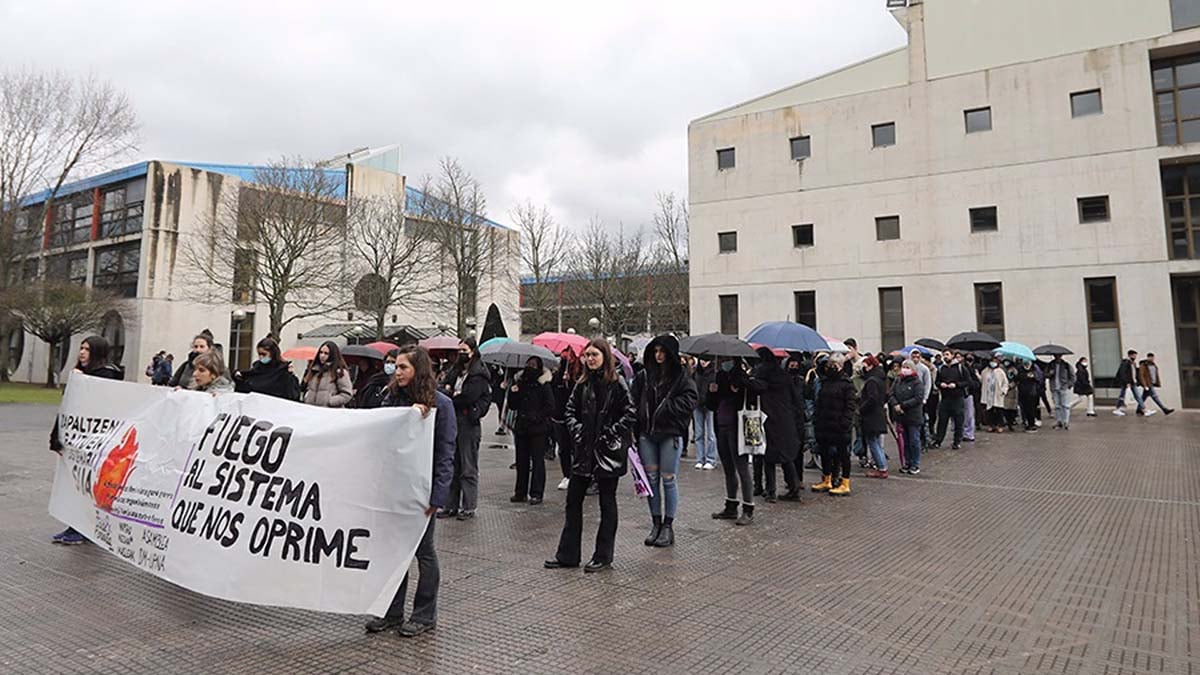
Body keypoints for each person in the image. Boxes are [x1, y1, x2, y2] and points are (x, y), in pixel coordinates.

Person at [363, 345, 456, 638]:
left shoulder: (441, 405)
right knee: (392, 552)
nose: (397, 372)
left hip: (421, 492)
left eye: (403, 367)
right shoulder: (390, 400)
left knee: (423, 552)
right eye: (395, 366)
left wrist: (438, 496)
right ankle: (392, 612)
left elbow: (445, 453)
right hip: (393, 488)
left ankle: (424, 615)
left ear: (418, 370)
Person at [545, 339, 635, 573]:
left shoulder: (617, 383)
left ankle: (603, 556)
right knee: (573, 501)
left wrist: (610, 433)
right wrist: (577, 432)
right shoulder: (582, 383)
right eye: (587, 355)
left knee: (607, 502)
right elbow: (570, 410)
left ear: (605, 356)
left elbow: (630, 412)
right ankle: (568, 554)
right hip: (584, 451)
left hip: (607, 453)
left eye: (595, 354)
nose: (591, 359)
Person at [49, 335, 125, 545]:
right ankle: (75, 525)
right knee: (76, 484)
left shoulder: (104, 376)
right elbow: (68, 408)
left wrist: (82, 381)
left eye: (87, 349)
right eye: (81, 348)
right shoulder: (82, 374)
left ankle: (83, 528)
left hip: (94, 441)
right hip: (76, 439)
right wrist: (56, 437)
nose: (82, 352)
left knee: (87, 485)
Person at [630, 335, 698, 548]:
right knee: (650, 480)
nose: (659, 355)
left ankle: (668, 525)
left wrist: (667, 408)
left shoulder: (681, 377)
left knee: (668, 479)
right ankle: (656, 522)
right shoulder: (644, 376)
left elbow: (690, 400)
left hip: (669, 433)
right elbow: (633, 402)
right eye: (656, 351)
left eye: (662, 351)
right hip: (647, 434)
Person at [438, 337, 491, 520]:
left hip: (468, 423)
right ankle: (450, 505)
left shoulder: (478, 373)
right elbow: (443, 388)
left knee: (468, 467)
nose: (461, 354)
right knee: (452, 464)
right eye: (459, 350)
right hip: (454, 420)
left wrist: (452, 394)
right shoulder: (456, 370)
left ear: (473, 351)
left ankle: (468, 507)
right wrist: (450, 392)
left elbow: (469, 396)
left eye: (464, 351)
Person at [749, 346, 806, 502]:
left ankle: (770, 491)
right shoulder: (784, 375)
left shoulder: (761, 374)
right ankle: (793, 488)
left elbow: (755, 390)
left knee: (768, 456)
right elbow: (796, 399)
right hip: (786, 419)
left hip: (768, 419)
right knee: (786, 456)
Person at [707, 356, 756, 525]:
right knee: (728, 468)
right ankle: (731, 505)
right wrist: (711, 392)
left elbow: (753, 395)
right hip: (721, 425)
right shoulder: (719, 376)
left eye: (726, 359)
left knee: (742, 468)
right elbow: (711, 405)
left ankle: (748, 508)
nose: (722, 362)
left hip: (737, 427)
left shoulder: (741, 377)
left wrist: (740, 388)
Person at [507, 356, 555, 505]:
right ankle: (520, 492)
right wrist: (513, 392)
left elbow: (550, 406)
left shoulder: (544, 385)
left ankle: (536, 493)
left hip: (538, 429)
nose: (530, 368)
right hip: (522, 427)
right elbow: (513, 405)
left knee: (537, 461)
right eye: (528, 364)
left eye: (533, 365)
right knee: (522, 461)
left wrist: (537, 416)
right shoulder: (520, 382)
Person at [811, 354, 856, 494]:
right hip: (825, 424)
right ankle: (827, 479)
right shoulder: (826, 382)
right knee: (824, 452)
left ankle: (845, 482)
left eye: (834, 365)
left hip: (839, 425)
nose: (830, 368)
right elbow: (819, 402)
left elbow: (850, 406)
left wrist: (845, 423)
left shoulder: (847, 384)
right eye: (829, 365)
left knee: (843, 454)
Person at [233, 337, 301, 400]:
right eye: (259, 354)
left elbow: (292, 393)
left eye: (264, 354)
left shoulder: (282, 371)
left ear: (273, 353)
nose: (261, 357)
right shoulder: (257, 368)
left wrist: (290, 376)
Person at [889, 360, 924, 475]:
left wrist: (903, 405)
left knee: (914, 440)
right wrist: (895, 404)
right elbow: (891, 393)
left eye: (907, 367)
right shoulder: (897, 380)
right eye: (903, 366)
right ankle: (907, 462)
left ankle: (915, 463)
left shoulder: (917, 382)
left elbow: (918, 398)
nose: (905, 369)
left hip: (913, 416)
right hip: (901, 416)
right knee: (905, 441)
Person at [860, 355, 889, 478]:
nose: (863, 368)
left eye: (865, 365)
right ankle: (882, 466)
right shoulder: (881, 378)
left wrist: (862, 408)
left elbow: (872, 398)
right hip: (879, 413)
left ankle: (881, 467)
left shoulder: (871, 380)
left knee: (873, 442)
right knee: (876, 441)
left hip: (871, 416)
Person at [931, 351, 968, 449]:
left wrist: (956, 385)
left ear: (952, 356)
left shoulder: (960, 368)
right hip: (945, 398)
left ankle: (957, 441)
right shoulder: (941, 368)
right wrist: (940, 384)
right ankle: (938, 440)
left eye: (947, 355)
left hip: (957, 398)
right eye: (944, 355)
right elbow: (937, 381)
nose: (945, 357)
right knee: (942, 420)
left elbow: (967, 381)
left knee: (958, 421)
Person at [302, 341, 353, 408]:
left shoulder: (339, 372)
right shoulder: (314, 370)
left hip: (329, 413)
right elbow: (308, 388)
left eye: (326, 353)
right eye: (321, 352)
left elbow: (347, 394)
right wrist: (307, 397)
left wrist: (330, 401)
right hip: (312, 411)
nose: (322, 356)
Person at [691, 358, 717, 470]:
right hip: (698, 405)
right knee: (698, 434)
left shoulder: (715, 373)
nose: (703, 362)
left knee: (711, 434)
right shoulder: (696, 372)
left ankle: (711, 459)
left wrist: (715, 390)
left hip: (710, 405)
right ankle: (700, 459)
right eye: (702, 359)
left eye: (706, 360)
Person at [980, 358, 1010, 433]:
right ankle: (991, 425)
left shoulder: (1000, 372)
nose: (993, 363)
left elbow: (1005, 382)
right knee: (989, 411)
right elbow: (982, 380)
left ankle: (999, 425)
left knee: (998, 410)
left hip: (997, 394)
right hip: (988, 394)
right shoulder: (985, 371)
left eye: (995, 362)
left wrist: (1004, 391)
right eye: (992, 361)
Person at [1046, 354, 1076, 429]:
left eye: (1059, 355)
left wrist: (1069, 385)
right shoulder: (1050, 365)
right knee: (1057, 406)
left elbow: (1073, 376)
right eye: (1056, 355)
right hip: (1054, 388)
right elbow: (1045, 374)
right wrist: (1050, 374)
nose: (1057, 357)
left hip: (1063, 388)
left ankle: (1066, 421)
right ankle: (1059, 421)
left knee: (1065, 405)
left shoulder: (1066, 365)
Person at [1113, 350, 1144, 416]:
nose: (1135, 356)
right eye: (1133, 355)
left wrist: (1138, 382)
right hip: (1126, 383)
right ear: (1130, 355)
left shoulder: (1133, 363)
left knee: (1137, 396)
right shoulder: (1126, 363)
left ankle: (1144, 409)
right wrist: (1127, 382)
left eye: (1135, 355)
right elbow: (1123, 373)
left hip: (1132, 382)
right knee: (1122, 395)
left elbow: (1134, 374)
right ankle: (1118, 408)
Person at [1015, 360, 1041, 432]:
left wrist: (1033, 376)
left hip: (1032, 392)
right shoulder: (1020, 369)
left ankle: (1032, 424)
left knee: (1031, 409)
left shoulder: (1034, 369)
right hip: (1022, 392)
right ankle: (1027, 423)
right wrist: (1025, 376)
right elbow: (1017, 378)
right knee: (1024, 409)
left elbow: (1039, 379)